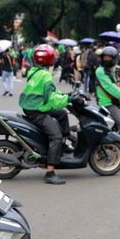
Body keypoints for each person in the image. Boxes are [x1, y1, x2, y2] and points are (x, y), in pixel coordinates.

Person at [19, 44, 74, 185]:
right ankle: (50, 172)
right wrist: (69, 99)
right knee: (56, 136)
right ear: (49, 59)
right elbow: (52, 99)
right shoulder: (46, 75)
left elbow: (49, 93)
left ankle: (63, 145)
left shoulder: (35, 71)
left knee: (62, 114)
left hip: (32, 105)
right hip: (36, 109)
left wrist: (64, 95)